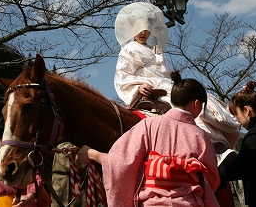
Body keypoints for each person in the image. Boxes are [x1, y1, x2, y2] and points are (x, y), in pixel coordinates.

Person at [113, 1, 240, 155]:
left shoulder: (155, 49)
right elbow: (122, 76)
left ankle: (212, 144)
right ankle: (203, 147)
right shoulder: (128, 50)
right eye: (139, 28)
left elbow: (165, 74)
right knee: (183, 108)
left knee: (201, 100)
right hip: (152, 90)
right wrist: (138, 87)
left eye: (147, 28)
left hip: (167, 86)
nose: (143, 32)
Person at [78, 71, 220, 207]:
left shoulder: (148, 125)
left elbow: (121, 161)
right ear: (197, 103)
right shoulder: (201, 136)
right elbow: (212, 178)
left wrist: (92, 154)